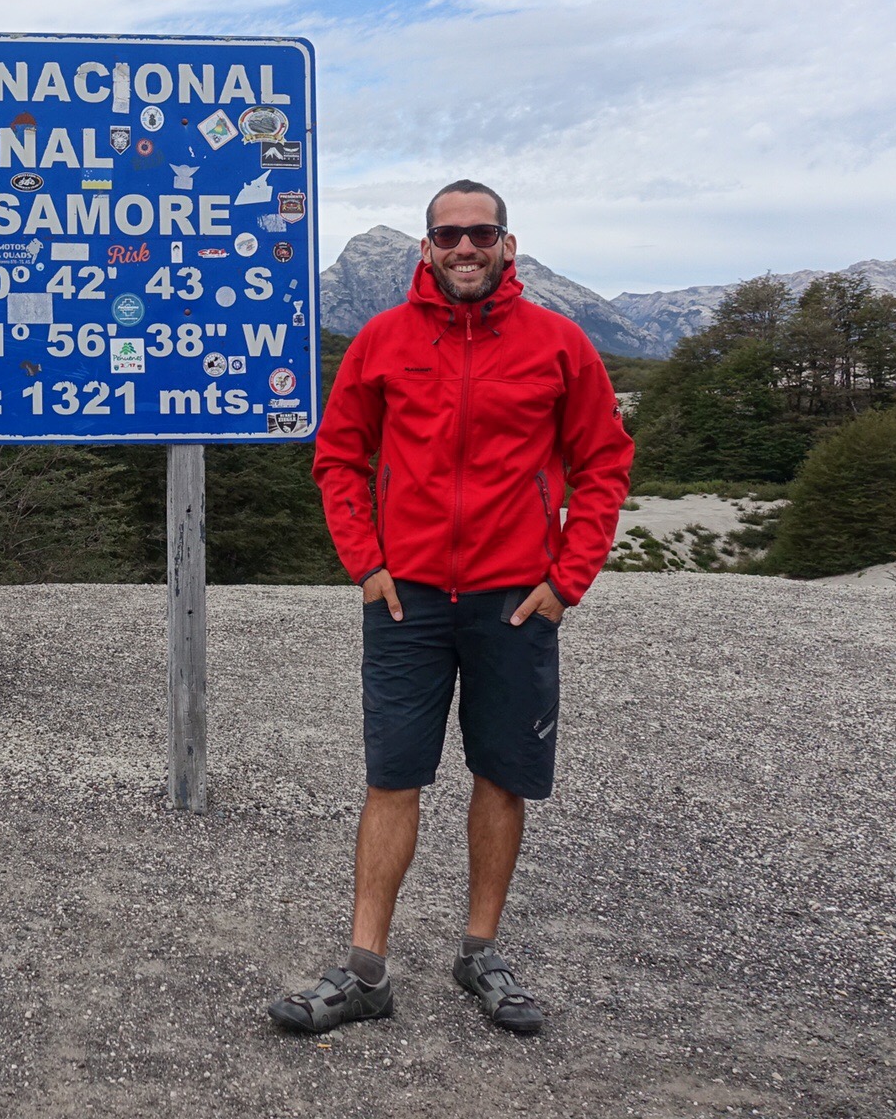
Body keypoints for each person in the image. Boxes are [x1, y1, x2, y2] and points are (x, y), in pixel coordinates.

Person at [266, 180, 633, 1038]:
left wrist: (566, 581)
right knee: (392, 777)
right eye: (449, 235)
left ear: (508, 244)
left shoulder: (560, 344)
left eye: (481, 233)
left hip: (517, 599)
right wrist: (366, 565)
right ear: (426, 247)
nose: (465, 247)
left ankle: (480, 953)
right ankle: (365, 971)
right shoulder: (382, 340)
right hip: (409, 599)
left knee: (501, 776)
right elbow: (338, 455)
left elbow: (604, 464)